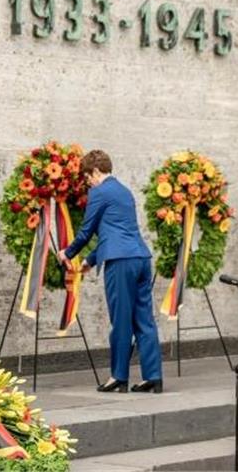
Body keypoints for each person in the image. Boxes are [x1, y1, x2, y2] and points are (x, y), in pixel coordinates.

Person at [58, 149, 163, 393]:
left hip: (121, 262)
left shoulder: (99, 192)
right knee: (144, 320)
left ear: (95, 171)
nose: (88, 183)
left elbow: (87, 230)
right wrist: (92, 260)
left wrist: (68, 253)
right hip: (140, 258)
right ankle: (153, 376)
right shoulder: (124, 191)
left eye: (88, 177)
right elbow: (116, 230)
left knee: (121, 320)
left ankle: (119, 376)